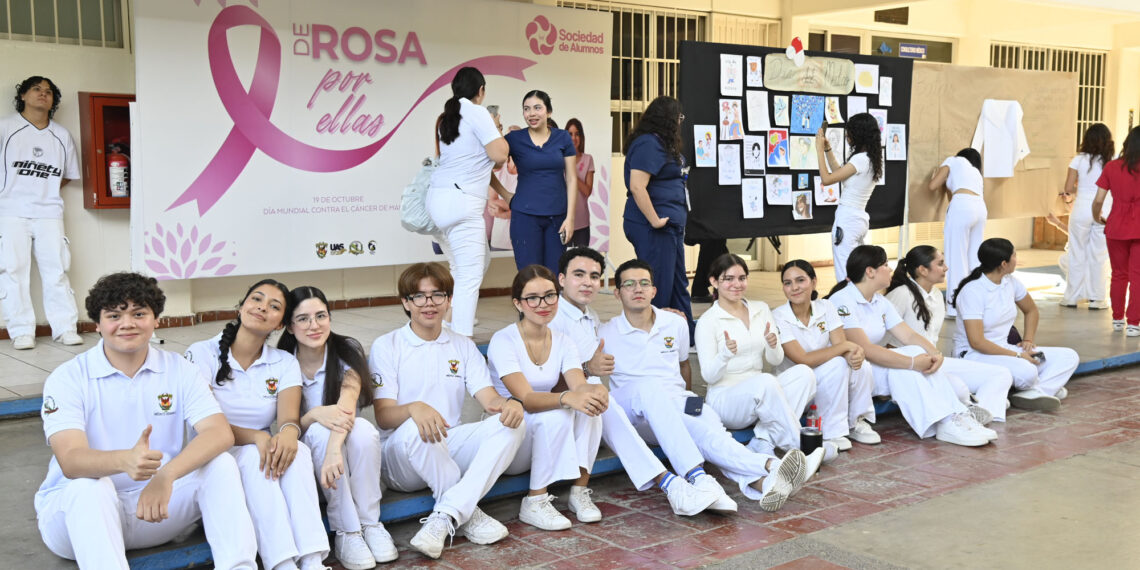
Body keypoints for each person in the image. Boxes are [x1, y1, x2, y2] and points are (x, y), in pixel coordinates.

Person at [35, 272, 257, 569]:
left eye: (139, 314)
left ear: (156, 320)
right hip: (78, 521)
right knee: (87, 486)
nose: (127, 323)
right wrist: (125, 461)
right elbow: (71, 461)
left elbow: (219, 433)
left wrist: (166, 475)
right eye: (114, 315)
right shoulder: (68, 377)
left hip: (155, 507)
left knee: (221, 464)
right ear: (97, 324)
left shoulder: (179, 368)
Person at [599, 259, 817, 513]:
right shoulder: (605, 332)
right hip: (640, 413)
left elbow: (684, 366)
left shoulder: (675, 323)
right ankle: (768, 465)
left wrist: (688, 400)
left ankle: (763, 481)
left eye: (644, 283)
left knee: (711, 429)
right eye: (629, 284)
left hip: (679, 399)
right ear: (617, 293)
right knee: (682, 417)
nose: (638, 289)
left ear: (654, 291)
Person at [549, 247, 719, 517]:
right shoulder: (556, 319)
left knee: (708, 420)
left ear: (653, 291)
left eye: (594, 276)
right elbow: (543, 382)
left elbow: (685, 364)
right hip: (574, 408)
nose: (587, 282)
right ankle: (674, 482)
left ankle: (729, 474)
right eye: (578, 275)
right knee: (610, 400)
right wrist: (587, 368)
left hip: (669, 402)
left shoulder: (595, 318)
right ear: (561, 279)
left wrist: (662, 317)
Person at [370, 263, 524, 560]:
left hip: (447, 447)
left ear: (449, 300)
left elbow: (489, 399)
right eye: (419, 296)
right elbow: (383, 417)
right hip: (400, 458)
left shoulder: (461, 345)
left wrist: (511, 404)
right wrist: (415, 408)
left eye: (437, 295)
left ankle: (447, 514)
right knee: (418, 425)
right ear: (406, 302)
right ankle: (469, 513)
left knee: (513, 424)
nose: (429, 303)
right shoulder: (387, 345)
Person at [184, 280, 330, 570]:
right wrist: (256, 437)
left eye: (274, 306)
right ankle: (282, 562)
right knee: (256, 457)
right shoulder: (201, 353)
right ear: (241, 307)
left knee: (297, 452)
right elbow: (204, 425)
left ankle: (313, 559)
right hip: (213, 454)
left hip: (260, 448)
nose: (263, 308)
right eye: (257, 299)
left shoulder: (283, 362)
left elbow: (288, 419)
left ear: (281, 324)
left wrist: (288, 433)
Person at [826, 245, 996, 447]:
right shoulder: (842, 300)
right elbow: (865, 349)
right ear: (870, 271)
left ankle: (954, 417)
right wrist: (912, 362)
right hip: (855, 370)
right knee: (905, 368)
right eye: (885, 265)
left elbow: (908, 335)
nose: (890, 269)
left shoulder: (879, 301)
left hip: (874, 366)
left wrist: (935, 353)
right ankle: (945, 422)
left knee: (915, 353)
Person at [277, 286, 396, 569]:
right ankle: (346, 531)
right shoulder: (282, 360)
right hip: (309, 469)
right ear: (290, 327)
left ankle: (370, 523)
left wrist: (333, 450)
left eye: (321, 316)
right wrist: (315, 414)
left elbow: (347, 407)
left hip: (341, 462)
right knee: (320, 429)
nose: (314, 325)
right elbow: (288, 426)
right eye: (303, 319)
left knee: (363, 429)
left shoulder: (346, 349)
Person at [488, 265, 606, 530]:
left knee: (590, 411)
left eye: (550, 296)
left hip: (546, 434)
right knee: (558, 414)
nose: (543, 304)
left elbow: (578, 384)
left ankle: (579, 492)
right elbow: (527, 399)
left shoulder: (564, 341)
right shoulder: (503, 340)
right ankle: (535, 501)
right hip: (510, 433)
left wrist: (595, 393)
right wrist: (567, 398)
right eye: (532, 298)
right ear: (518, 303)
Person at [693, 254, 825, 460]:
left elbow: (775, 360)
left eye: (742, 278)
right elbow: (709, 376)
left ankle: (763, 440)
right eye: (728, 279)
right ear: (714, 282)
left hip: (762, 392)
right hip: (726, 400)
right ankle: (800, 446)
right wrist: (724, 356)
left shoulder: (760, 309)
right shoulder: (708, 321)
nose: (737, 284)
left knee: (804, 374)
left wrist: (773, 345)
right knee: (766, 381)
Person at [0, 76, 83, 349]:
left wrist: (43, 191)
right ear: (23, 96)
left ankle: (65, 328)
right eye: (36, 89)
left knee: (56, 271)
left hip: (49, 212)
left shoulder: (61, 135)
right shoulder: (5, 128)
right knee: (13, 271)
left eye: (48, 91)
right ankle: (21, 331)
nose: (42, 94)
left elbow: (66, 175)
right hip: (10, 211)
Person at [426, 67, 509, 337]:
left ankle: (447, 323)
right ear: (481, 90)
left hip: (438, 203)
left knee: (471, 264)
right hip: (462, 205)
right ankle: (460, 342)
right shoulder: (477, 113)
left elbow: (478, 163)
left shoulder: (447, 117)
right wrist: (497, 133)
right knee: (470, 276)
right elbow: (500, 156)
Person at [885, 246, 1013, 422]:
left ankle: (982, 409)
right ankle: (976, 406)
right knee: (959, 389)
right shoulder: (901, 294)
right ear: (922, 270)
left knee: (1002, 374)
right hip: (908, 367)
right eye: (940, 263)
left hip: (934, 361)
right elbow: (882, 340)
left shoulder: (937, 295)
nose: (946, 268)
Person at [951, 238, 1079, 408]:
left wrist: (1028, 340)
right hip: (975, 354)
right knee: (1027, 371)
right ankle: (1044, 387)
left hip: (1007, 351)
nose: (1016, 259)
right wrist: (1018, 356)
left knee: (1068, 356)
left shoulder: (1010, 281)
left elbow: (1031, 310)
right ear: (1004, 264)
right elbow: (977, 342)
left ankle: (1037, 391)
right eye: (1014, 256)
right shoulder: (973, 291)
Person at [773, 260, 879, 449]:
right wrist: (846, 347)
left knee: (861, 365)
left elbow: (840, 346)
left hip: (827, 381)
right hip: (798, 390)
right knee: (837, 364)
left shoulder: (826, 307)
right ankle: (831, 432)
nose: (794, 287)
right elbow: (803, 360)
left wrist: (853, 354)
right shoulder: (778, 316)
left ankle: (856, 422)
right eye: (788, 283)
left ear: (814, 282)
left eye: (800, 280)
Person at [623, 96, 694, 330]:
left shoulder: (663, 144)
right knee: (660, 285)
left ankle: (684, 332)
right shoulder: (648, 144)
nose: (680, 122)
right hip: (654, 226)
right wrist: (655, 221)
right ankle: (656, 333)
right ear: (668, 119)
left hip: (670, 226)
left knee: (677, 283)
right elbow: (637, 186)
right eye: (678, 117)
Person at [501, 91, 577, 272]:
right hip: (524, 217)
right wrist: (506, 195)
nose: (531, 113)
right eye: (526, 109)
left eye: (537, 108)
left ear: (548, 111)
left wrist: (570, 218)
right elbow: (488, 165)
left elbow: (572, 178)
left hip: (557, 217)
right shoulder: (514, 139)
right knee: (530, 275)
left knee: (554, 275)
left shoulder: (563, 137)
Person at [815, 113, 883, 281]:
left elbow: (827, 179)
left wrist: (818, 150)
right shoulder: (870, 159)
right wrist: (827, 150)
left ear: (858, 134)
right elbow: (839, 173)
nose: (847, 135)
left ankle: (846, 298)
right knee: (857, 270)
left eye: (849, 132)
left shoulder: (860, 159)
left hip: (847, 219)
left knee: (844, 272)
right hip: (858, 219)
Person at [928, 148, 986, 318]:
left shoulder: (953, 160)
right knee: (974, 258)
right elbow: (952, 195)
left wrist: (936, 174)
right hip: (980, 208)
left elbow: (932, 186)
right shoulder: (976, 173)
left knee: (956, 259)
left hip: (962, 207)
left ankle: (954, 308)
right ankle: (977, 304)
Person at [1094, 127, 1140, 336]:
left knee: (1119, 274)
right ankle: (1134, 324)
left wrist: (1097, 217)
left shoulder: (1112, 167)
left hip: (1116, 226)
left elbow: (1098, 200)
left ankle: (1117, 320)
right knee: (1138, 275)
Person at [1062, 124, 1114, 309]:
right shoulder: (1113, 159)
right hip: (1105, 209)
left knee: (1077, 252)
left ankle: (1071, 297)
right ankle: (1097, 299)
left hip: (1081, 209)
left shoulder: (1078, 159)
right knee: (1100, 255)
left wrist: (1081, 187)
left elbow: (1068, 189)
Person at [565, 118, 594, 248]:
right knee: (562, 258)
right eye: (570, 134)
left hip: (582, 222)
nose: (573, 138)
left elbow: (587, 191)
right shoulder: (559, 160)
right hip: (563, 220)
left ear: (581, 137)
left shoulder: (588, 159)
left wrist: (572, 173)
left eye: (577, 134)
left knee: (582, 257)